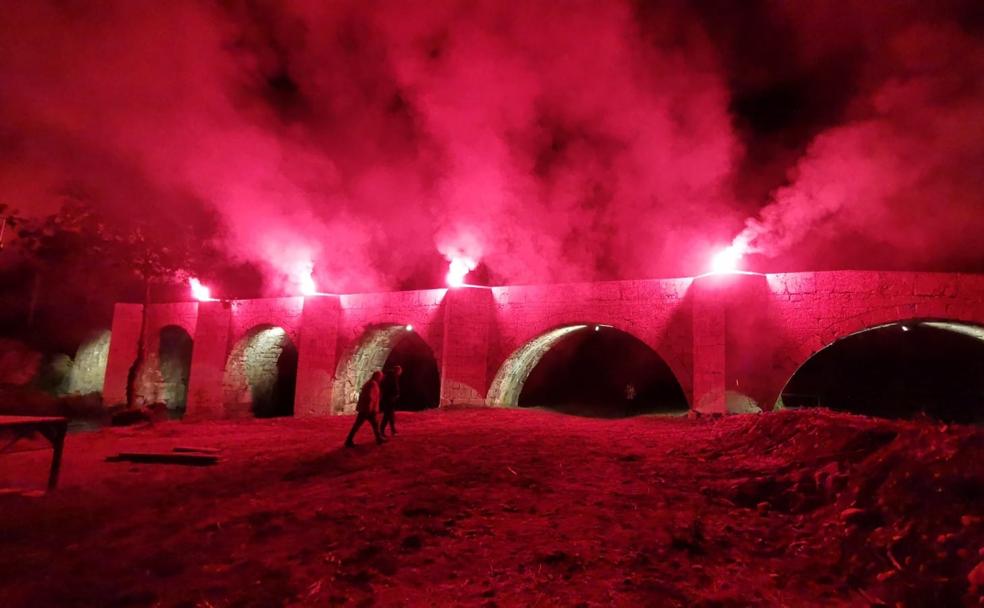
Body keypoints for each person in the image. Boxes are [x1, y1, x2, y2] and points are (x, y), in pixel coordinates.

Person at [344, 371, 385, 447]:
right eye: (381, 377)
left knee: (374, 424)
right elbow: (370, 397)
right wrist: (370, 409)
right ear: (377, 376)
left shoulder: (370, 383)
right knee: (359, 425)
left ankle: (379, 438)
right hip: (368, 409)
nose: (381, 378)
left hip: (367, 409)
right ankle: (348, 440)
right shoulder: (372, 384)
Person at [379, 365, 402, 437]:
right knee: (387, 415)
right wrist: (395, 394)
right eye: (400, 371)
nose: (401, 372)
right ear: (397, 370)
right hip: (389, 399)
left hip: (389, 398)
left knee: (391, 415)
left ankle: (393, 430)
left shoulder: (389, 376)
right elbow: (392, 387)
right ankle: (382, 430)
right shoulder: (392, 377)